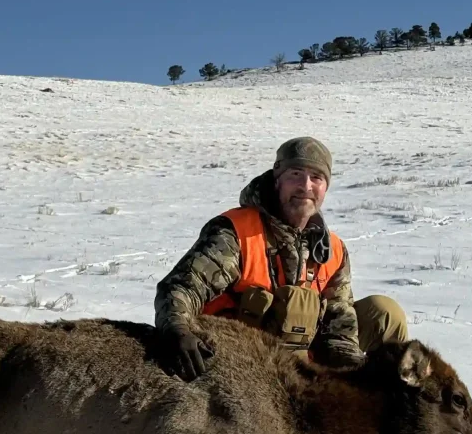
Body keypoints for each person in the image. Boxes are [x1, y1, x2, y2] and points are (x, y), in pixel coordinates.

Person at [155, 136, 408, 381]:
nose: (305, 186)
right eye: (295, 174)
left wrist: (354, 379)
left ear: (325, 188)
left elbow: (339, 330)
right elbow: (182, 288)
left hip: (300, 364)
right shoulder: (236, 232)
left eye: (316, 178)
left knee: (385, 312)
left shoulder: (333, 249)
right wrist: (178, 330)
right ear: (278, 180)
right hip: (234, 362)